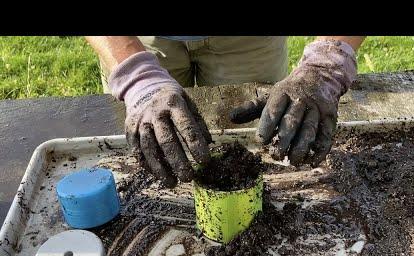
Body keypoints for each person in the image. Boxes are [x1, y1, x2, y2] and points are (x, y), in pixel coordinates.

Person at [85, 36, 365, 188]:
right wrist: (136, 76)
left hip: (249, 43)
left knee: (256, 140)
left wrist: (326, 64)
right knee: (158, 143)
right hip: (134, 40)